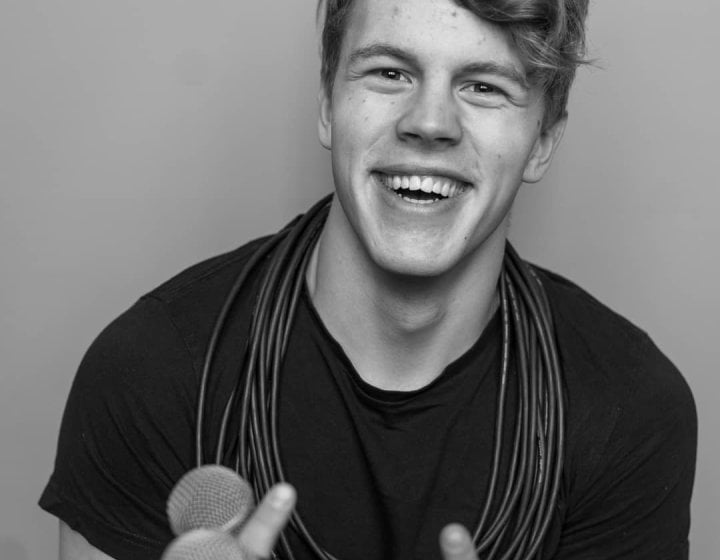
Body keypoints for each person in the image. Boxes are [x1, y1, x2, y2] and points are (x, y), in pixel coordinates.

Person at [40, 0, 697, 559]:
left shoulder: (628, 409)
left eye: (484, 86)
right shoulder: (154, 371)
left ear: (544, 138)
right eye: (389, 72)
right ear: (328, 102)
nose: (430, 123)